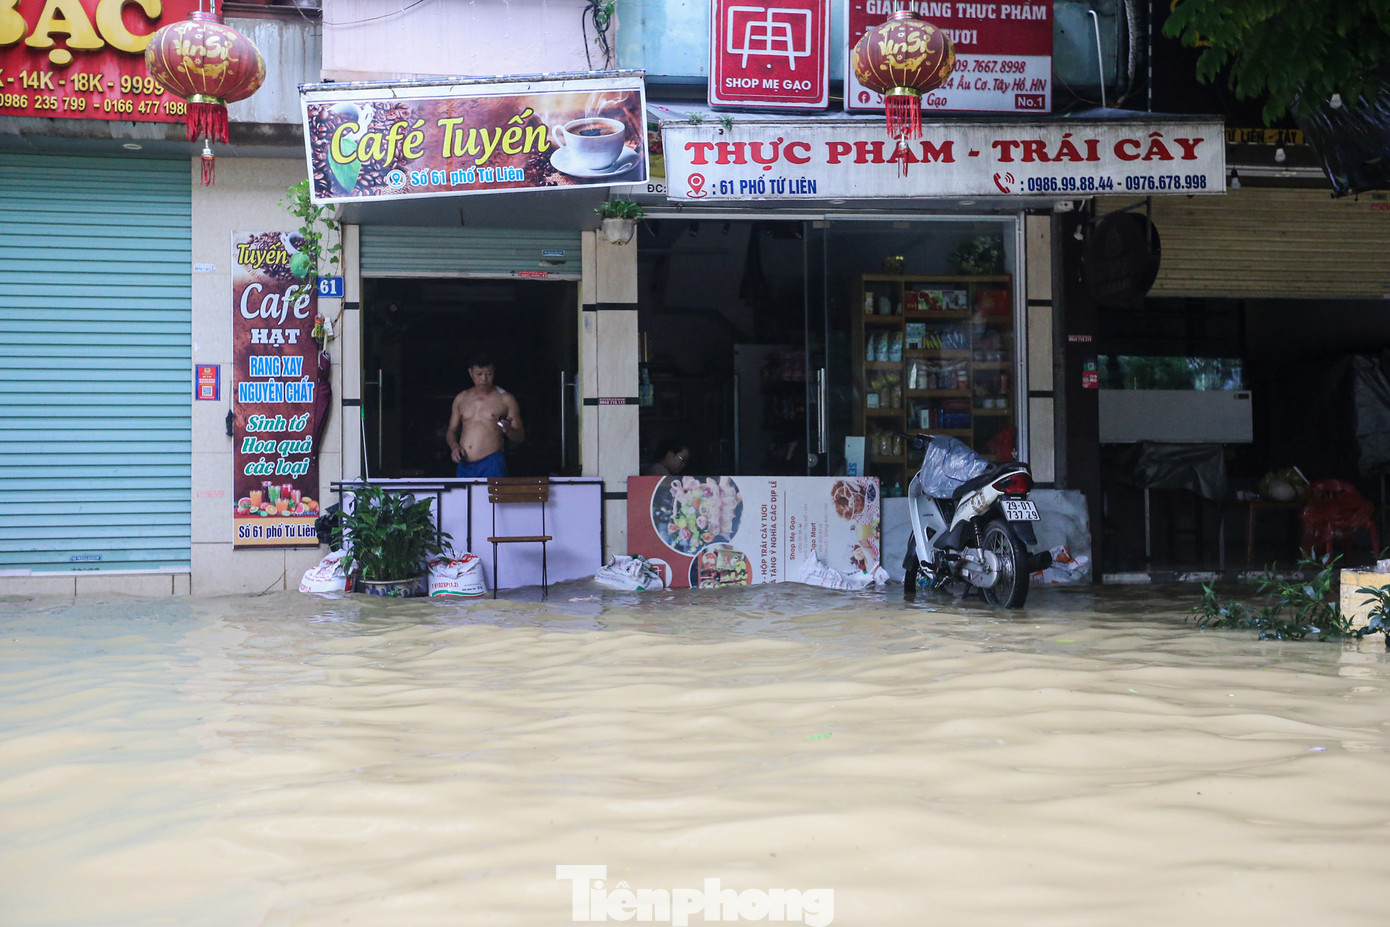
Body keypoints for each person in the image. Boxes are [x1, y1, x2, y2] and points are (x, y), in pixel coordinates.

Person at [446, 353, 525, 478]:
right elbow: (451, 431)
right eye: (479, 374)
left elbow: (520, 436)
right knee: (464, 497)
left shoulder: (506, 399)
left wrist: (508, 430)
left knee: (493, 497)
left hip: (491, 462)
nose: (484, 379)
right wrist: (454, 447)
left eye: (489, 374)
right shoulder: (461, 398)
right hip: (464, 463)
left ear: (494, 371)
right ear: (470, 373)